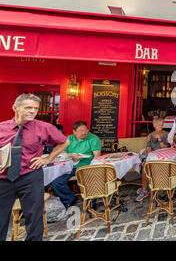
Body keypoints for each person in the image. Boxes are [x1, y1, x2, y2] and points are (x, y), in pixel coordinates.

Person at [0, 94, 69, 241]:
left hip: (30, 176)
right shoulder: (1, 128)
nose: (33, 111)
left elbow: (64, 142)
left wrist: (48, 158)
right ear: (15, 107)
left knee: (34, 217)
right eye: (28, 107)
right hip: (3, 178)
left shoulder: (44, 127)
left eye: (35, 108)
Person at [51, 121, 102, 208]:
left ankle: (91, 203)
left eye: (86, 130)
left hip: (87, 166)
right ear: (74, 132)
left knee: (89, 181)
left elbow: (97, 156)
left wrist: (91, 168)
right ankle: (69, 199)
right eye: (81, 131)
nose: (84, 133)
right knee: (57, 182)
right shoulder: (69, 138)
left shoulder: (93, 139)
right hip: (70, 166)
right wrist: (71, 155)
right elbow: (59, 152)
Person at [136, 117, 170, 202]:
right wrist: (149, 150)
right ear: (154, 125)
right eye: (158, 125)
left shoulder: (167, 134)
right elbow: (148, 149)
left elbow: (166, 147)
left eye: (162, 125)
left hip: (165, 157)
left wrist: (160, 139)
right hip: (154, 157)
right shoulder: (149, 136)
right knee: (145, 167)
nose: (160, 126)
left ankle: (169, 188)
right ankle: (144, 191)